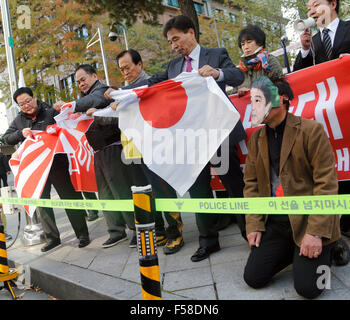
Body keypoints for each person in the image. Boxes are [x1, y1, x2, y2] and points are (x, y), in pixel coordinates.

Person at [106, 15, 247, 262]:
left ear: (191, 33)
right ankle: (208, 241)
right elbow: (149, 85)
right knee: (199, 189)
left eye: (176, 39)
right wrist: (122, 96)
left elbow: (237, 75)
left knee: (234, 184)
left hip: (218, 132)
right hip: (191, 139)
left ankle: (251, 233)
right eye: (170, 42)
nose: (174, 46)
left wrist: (217, 73)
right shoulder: (173, 68)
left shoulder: (215, 54)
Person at [243, 76, 340, 299]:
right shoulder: (256, 139)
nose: (254, 106)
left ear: (282, 99)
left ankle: (331, 245)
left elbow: (326, 183)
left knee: (310, 289)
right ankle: (296, 251)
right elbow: (251, 185)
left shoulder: (311, 131)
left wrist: (315, 233)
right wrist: (254, 224)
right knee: (254, 278)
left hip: (309, 221)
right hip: (278, 224)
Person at [54, 64, 138, 248]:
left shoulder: (105, 91)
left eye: (83, 79)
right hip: (97, 150)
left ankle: (135, 229)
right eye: (78, 82)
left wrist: (71, 105)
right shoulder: (87, 98)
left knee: (121, 191)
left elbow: (93, 100)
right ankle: (115, 230)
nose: (81, 84)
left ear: (95, 76)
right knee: (105, 193)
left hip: (114, 148)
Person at [293, 0, 350, 255]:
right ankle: (341, 227)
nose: (311, 10)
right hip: (329, 120)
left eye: (316, 3)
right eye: (308, 7)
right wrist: (304, 50)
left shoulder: (349, 29)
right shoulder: (313, 43)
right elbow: (298, 77)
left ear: (333, 4)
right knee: (336, 168)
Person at [3, 87, 90, 252]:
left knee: (69, 197)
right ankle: (52, 238)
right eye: (22, 104)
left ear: (34, 97)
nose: (26, 106)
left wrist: (58, 124)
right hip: (37, 168)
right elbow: (6, 138)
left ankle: (82, 234)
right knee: (42, 202)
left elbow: (68, 125)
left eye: (28, 101)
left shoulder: (51, 111)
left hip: (57, 164)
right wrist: (21, 134)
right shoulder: (19, 121)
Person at [115, 49, 184, 254]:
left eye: (128, 67)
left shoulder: (152, 85)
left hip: (155, 146)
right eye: (121, 69)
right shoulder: (123, 92)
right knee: (146, 192)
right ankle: (159, 230)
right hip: (134, 149)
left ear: (139, 65)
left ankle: (175, 233)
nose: (125, 72)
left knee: (163, 190)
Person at [236, 24, 283, 97]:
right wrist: (239, 92)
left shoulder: (269, 60)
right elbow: (233, 95)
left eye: (249, 42)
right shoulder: (240, 69)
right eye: (243, 44)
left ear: (259, 42)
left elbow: (280, 85)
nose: (246, 47)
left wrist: (253, 90)